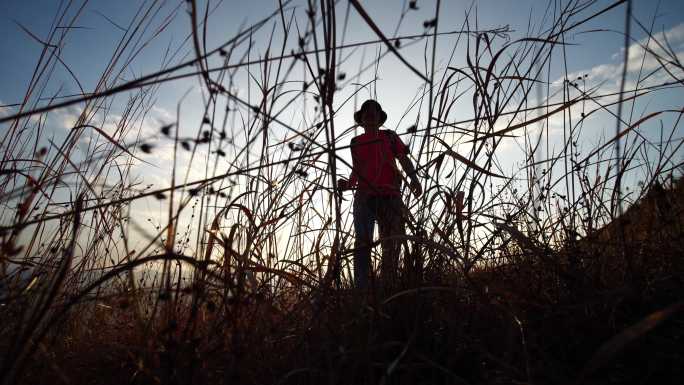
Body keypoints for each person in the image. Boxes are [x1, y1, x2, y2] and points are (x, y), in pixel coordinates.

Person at [337, 99, 422, 291]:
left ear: (380, 118)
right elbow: (357, 170)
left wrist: (414, 179)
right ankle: (361, 290)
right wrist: (347, 185)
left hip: (390, 195)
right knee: (362, 244)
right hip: (364, 198)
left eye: (375, 110)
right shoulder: (355, 142)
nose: (370, 112)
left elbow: (403, 159)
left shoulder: (390, 136)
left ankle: (388, 287)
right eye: (366, 110)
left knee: (392, 242)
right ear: (361, 118)